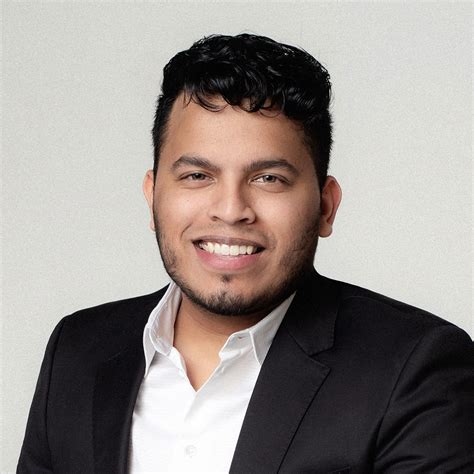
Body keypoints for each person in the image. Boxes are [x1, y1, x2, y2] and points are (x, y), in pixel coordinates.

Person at [18, 33, 473, 474]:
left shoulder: (415, 368)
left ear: (325, 207)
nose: (231, 209)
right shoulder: (78, 350)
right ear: (152, 196)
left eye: (268, 178)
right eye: (197, 176)